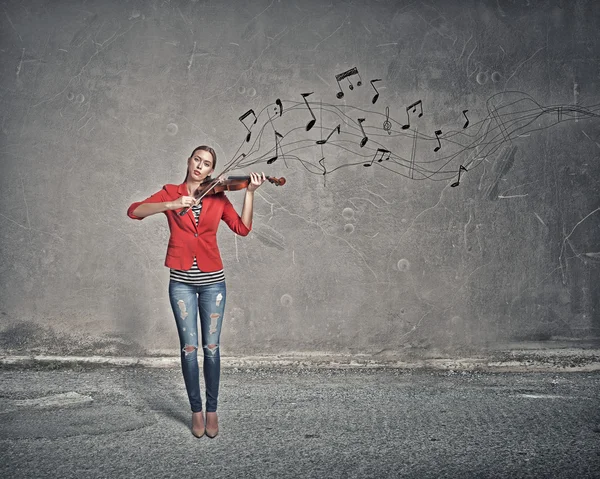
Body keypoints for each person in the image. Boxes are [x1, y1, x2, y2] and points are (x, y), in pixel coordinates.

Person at [127, 145, 265, 438]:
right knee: (189, 350)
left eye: (206, 164)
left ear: (211, 171)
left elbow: (242, 229)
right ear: (189, 161)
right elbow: (134, 211)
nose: (200, 166)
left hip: (213, 282)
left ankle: (212, 409)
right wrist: (171, 204)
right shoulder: (170, 192)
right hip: (181, 283)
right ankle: (196, 410)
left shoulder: (218, 196)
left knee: (211, 348)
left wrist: (250, 193)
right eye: (197, 160)